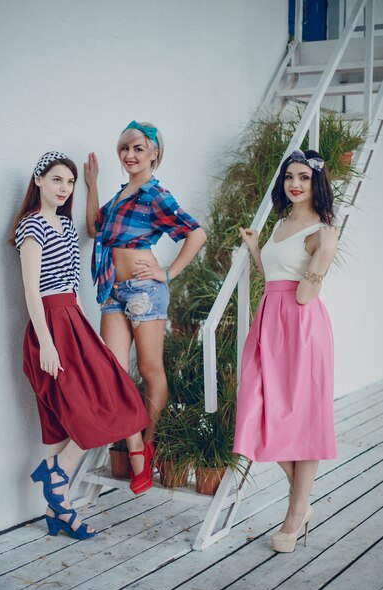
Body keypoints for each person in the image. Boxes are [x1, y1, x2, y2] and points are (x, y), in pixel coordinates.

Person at [10, 151, 153, 541]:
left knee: (114, 395)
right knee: (65, 420)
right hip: (49, 327)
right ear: (39, 180)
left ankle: (56, 486)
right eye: (57, 180)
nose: (63, 188)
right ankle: (59, 496)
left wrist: (92, 186)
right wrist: (47, 344)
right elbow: (31, 292)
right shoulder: (31, 227)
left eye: (69, 182)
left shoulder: (68, 227)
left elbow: (74, 282)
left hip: (74, 320)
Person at [233, 149, 339, 553]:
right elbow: (274, 275)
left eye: (304, 178)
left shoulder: (321, 230)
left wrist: (326, 254)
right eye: (289, 176)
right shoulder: (282, 222)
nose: (295, 183)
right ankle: (303, 498)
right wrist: (258, 248)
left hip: (302, 326)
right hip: (269, 322)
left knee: (302, 416)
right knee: (257, 408)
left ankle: (294, 515)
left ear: (317, 184)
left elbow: (305, 293)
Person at [84, 121, 207, 443]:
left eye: (138, 148)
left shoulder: (156, 195)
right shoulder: (121, 194)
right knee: (113, 370)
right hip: (112, 290)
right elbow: (95, 230)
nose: (129, 154)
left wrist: (167, 273)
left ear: (155, 154)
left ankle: (148, 443)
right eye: (124, 148)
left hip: (144, 290)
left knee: (151, 369)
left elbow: (196, 234)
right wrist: (92, 185)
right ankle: (131, 440)